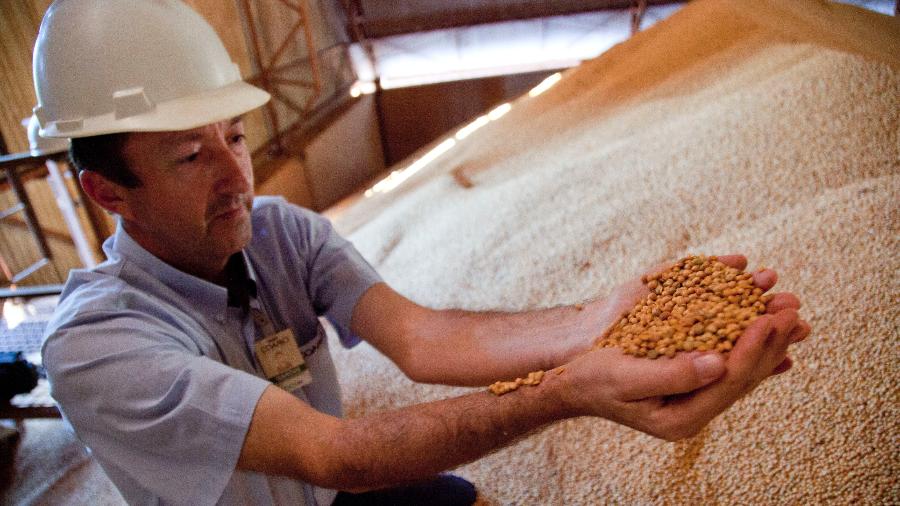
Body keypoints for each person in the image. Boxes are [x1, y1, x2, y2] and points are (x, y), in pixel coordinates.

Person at [34, 1, 810, 505]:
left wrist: (597, 320)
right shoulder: (98, 347)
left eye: (233, 137)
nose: (238, 175)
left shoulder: (277, 232)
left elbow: (422, 339)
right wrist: (566, 392)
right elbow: (337, 455)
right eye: (189, 157)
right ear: (109, 192)